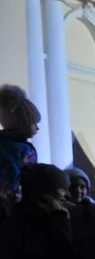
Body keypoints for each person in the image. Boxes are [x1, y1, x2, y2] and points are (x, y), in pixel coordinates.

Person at [0, 85, 41, 219]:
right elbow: (12, 182)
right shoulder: (17, 149)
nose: (37, 128)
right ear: (22, 122)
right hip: (16, 211)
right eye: (34, 123)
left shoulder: (8, 144)